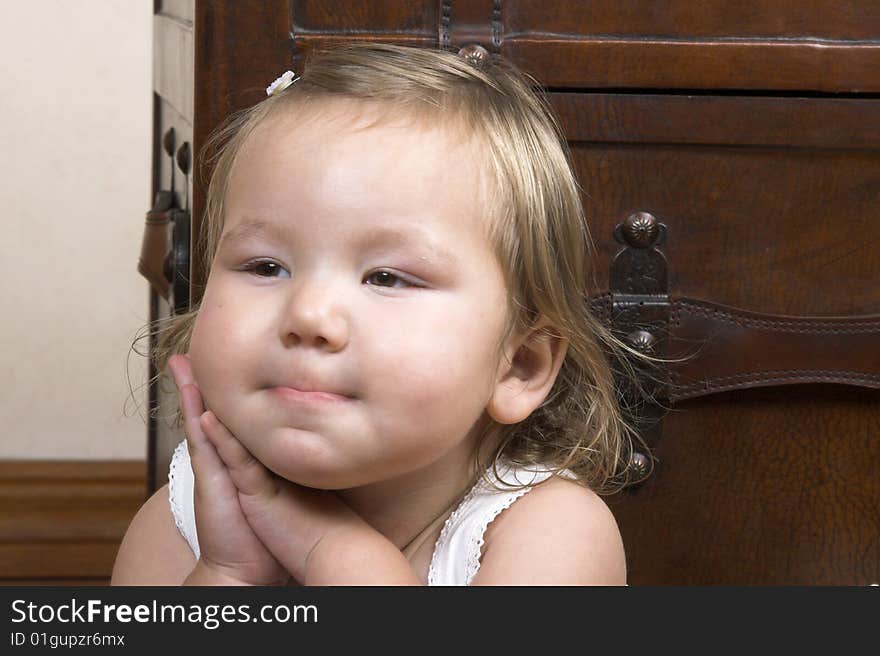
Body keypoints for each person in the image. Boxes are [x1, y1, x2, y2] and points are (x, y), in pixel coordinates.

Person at [112, 42, 655, 586]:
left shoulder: (551, 535)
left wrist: (330, 548)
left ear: (519, 366)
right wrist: (226, 574)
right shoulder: (186, 516)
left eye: (387, 278)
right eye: (266, 266)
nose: (309, 315)